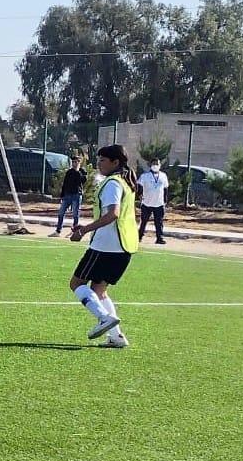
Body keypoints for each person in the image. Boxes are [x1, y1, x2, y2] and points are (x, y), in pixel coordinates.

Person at [68, 144, 140, 348]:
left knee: (76, 283)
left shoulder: (112, 183)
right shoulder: (126, 182)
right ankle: (116, 337)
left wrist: (84, 230)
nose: (98, 164)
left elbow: (113, 213)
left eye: (102, 160)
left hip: (106, 246)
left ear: (115, 162)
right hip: (124, 246)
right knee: (99, 291)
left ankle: (103, 318)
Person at [50, 155, 87, 236]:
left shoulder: (82, 172)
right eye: (73, 162)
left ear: (79, 162)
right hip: (67, 196)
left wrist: (77, 171)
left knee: (75, 214)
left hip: (76, 195)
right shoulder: (69, 172)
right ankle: (58, 231)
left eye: (76, 162)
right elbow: (65, 184)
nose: (74, 163)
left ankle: (74, 231)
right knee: (61, 213)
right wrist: (62, 196)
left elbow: (81, 181)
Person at [137, 158, 169, 245]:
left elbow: (165, 188)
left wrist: (165, 200)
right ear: (150, 165)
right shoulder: (145, 176)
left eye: (157, 164)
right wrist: (139, 194)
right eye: (154, 163)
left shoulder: (163, 176)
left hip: (159, 203)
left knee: (159, 222)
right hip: (147, 202)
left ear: (160, 165)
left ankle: (159, 238)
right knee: (143, 221)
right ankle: (139, 236)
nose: (155, 165)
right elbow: (139, 186)